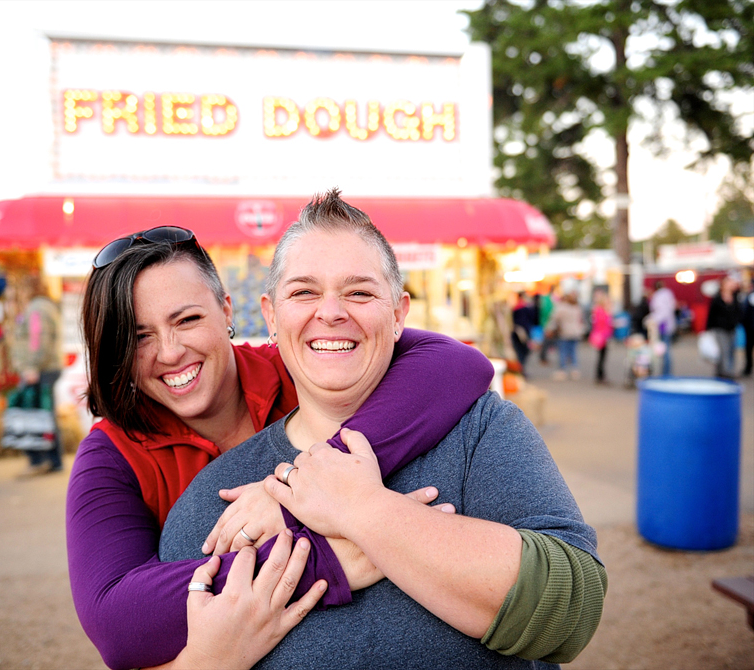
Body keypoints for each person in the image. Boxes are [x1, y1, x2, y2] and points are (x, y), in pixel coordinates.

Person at [161, 189, 606, 669]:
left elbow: (570, 613)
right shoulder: (220, 502)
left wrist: (363, 510)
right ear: (271, 315)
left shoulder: (480, 431)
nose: (330, 312)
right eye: (304, 291)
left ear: (398, 315)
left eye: (359, 292)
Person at [66, 224, 496, 669]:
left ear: (226, 309)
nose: (171, 352)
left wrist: (302, 489)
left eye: (187, 320)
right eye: (140, 337)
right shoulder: (111, 456)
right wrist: (323, 558)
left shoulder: (304, 367)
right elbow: (116, 621)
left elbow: (458, 363)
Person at [10, 277, 63, 475]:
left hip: (40, 368)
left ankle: (40, 461)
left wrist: (32, 367)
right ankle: (53, 461)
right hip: (48, 366)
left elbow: (37, 340)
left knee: (34, 415)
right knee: (46, 414)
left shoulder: (37, 309)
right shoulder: (47, 306)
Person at [706, 274, 742, 379]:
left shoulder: (735, 297)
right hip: (720, 328)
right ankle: (725, 372)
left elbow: (739, 312)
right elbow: (712, 314)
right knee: (723, 351)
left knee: (731, 350)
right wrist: (709, 328)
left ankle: (726, 370)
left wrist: (736, 321)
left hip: (731, 328)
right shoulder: (717, 298)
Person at [547, 289, 585, 381]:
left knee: (563, 351)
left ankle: (562, 370)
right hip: (576, 332)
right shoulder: (577, 308)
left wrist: (549, 329)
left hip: (565, 332)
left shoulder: (561, 308)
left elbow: (554, 319)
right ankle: (574, 369)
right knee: (573, 351)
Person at [645, 280, 676, 376]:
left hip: (662, 326)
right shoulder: (668, 294)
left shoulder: (658, 296)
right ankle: (666, 372)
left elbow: (661, 312)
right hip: (668, 325)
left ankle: (665, 373)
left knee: (663, 350)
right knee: (666, 349)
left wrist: (652, 319)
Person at [589, 289, 613, 384]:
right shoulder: (600, 311)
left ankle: (601, 375)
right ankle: (600, 376)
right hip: (602, 337)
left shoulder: (601, 310)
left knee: (602, 357)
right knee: (601, 357)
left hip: (603, 336)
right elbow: (601, 325)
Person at [510, 291, 536, 376]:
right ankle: (521, 369)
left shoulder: (515, 307)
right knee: (523, 351)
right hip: (523, 332)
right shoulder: (525, 307)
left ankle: (521, 369)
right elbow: (533, 318)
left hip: (516, 332)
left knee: (520, 351)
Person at [740, 272, 754, 377]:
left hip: (750, 326)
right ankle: (748, 367)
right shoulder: (748, 296)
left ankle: (748, 368)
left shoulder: (750, 296)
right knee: (748, 348)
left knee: (748, 348)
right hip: (749, 327)